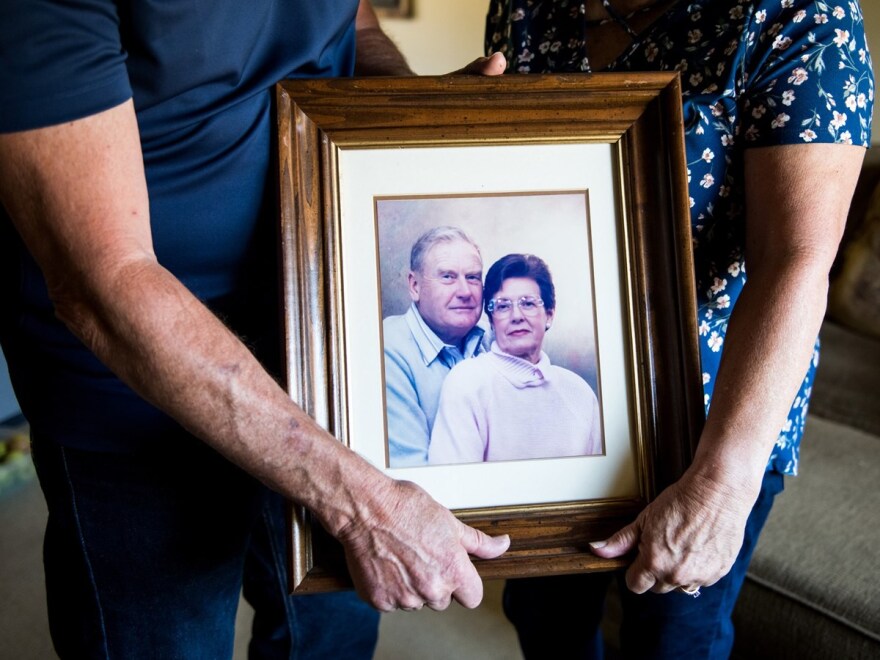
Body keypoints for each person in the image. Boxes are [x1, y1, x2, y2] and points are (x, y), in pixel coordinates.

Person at [0, 1, 511, 657]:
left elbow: (349, 24)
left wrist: (397, 107)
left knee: (331, 639)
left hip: (321, 341)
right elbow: (104, 287)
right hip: (137, 389)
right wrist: (364, 505)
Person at [485, 0, 874, 657]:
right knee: (543, 619)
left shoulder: (799, 13)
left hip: (712, 408)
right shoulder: (528, 5)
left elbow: (796, 261)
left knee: (674, 639)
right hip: (562, 393)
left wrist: (721, 486)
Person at [429, 253, 601, 464]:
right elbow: (453, 488)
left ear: (549, 314)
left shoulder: (580, 393)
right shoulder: (467, 383)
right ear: (491, 321)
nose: (516, 316)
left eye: (528, 303)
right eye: (502, 306)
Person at [384, 226, 488, 467]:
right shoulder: (388, 351)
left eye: (473, 277)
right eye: (448, 277)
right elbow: (414, 477)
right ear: (415, 286)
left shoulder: (493, 338)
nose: (465, 291)